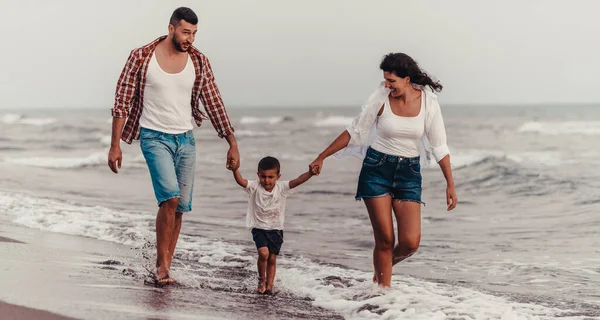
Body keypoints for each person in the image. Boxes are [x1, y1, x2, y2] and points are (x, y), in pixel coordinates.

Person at [107, 7, 239, 286]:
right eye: (185, 31)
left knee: (180, 207)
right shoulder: (141, 56)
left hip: (186, 139)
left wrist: (231, 142)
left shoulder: (199, 61)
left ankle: (166, 262)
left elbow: (214, 102)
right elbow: (121, 101)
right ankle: (161, 266)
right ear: (171, 29)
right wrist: (115, 145)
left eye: (193, 33)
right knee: (170, 198)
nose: (189, 38)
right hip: (154, 137)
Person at [309, 53, 457, 288]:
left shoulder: (428, 102)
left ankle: (381, 270)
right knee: (385, 240)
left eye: (392, 81)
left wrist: (450, 183)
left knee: (410, 243)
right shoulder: (380, 98)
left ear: (407, 79)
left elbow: (439, 145)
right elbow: (354, 132)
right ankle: (382, 296)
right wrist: (322, 156)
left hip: (409, 174)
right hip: (376, 170)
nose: (387, 85)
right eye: (385, 80)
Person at [231, 157, 315, 294]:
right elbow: (241, 181)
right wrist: (235, 170)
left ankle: (269, 286)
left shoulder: (281, 188)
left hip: (276, 229)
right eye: (263, 176)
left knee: (272, 258)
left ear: (278, 176)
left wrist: (310, 173)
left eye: (271, 177)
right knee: (263, 253)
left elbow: (298, 181)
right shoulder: (254, 187)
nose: (267, 180)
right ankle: (261, 280)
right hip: (259, 228)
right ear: (258, 175)